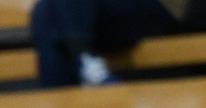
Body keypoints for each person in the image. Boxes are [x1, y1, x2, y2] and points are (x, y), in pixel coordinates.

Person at [30, 0, 181, 89]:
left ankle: (84, 60)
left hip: (156, 7)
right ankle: (84, 63)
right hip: (91, 13)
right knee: (45, 12)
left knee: (48, 14)